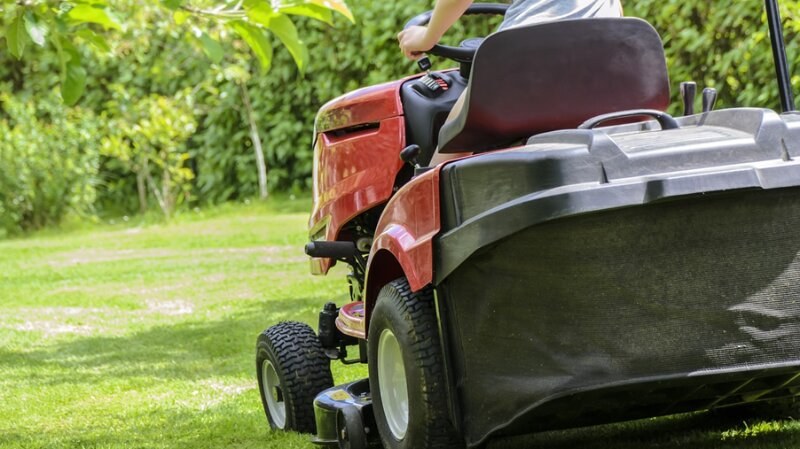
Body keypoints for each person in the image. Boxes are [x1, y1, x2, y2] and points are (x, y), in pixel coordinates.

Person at [398, 0, 623, 165]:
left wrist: (427, 37)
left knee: (451, 142)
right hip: (609, 69)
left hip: (526, 63)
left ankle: (426, 211)